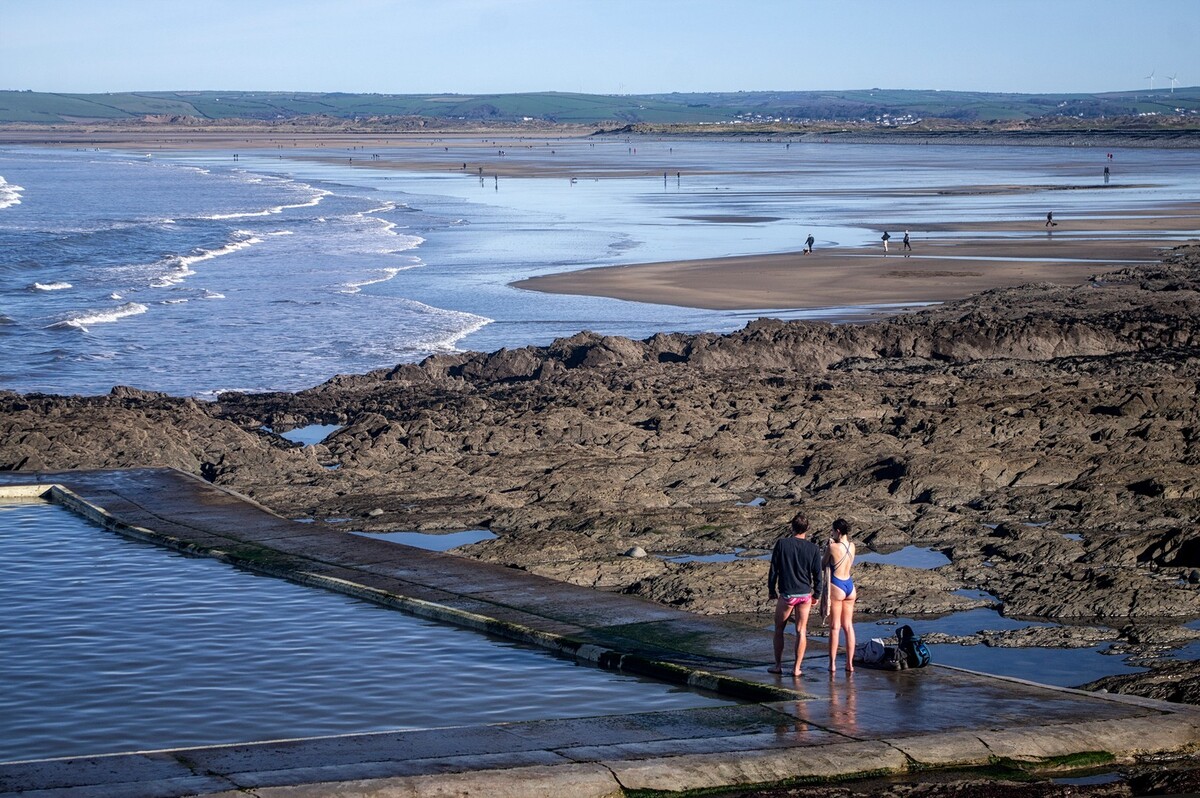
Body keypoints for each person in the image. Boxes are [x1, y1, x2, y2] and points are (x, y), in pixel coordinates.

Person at [767, 513, 824, 676]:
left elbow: (774, 570)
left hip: (787, 594)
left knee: (779, 629)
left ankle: (778, 665)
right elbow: (817, 574)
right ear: (807, 529)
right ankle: (796, 668)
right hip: (805, 594)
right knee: (801, 630)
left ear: (791, 527)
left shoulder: (782, 544)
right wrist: (817, 594)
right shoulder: (813, 548)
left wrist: (771, 590)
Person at [824, 518, 856, 674]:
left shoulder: (833, 547)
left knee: (835, 626)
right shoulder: (853, 546)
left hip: (837, 585)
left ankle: (832, 664)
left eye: (832, 530)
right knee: (848, 626)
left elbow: (823, 564)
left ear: (837, 531)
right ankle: (850, 664)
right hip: (850, 585)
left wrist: (828, 547)